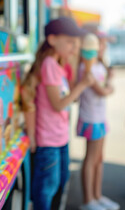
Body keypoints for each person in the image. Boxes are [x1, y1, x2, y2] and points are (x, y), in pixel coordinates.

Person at [21, 17, 94, 210]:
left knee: (60, 183)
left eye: (75, 43)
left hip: (59, 139)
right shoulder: (49, 65)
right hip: (49, 141)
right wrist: (82, 86)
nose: (74, 47)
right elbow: (58, 104)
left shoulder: (57, 66)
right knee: (46, 190)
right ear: (52, 40)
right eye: (70, 41)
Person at [76, 33, 119, 210]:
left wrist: (108, 82)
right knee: (91, 158)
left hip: (99, 118)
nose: (104, 47)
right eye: (101, 44)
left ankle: (97, 195)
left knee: (99, 159)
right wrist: (110, 86)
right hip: (91, 118)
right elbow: (102, 91)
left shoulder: (98, 65)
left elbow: (103, 88)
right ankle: (88, 200)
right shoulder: (86, 67)